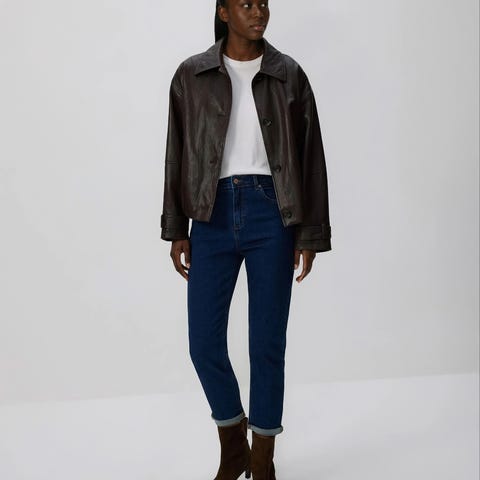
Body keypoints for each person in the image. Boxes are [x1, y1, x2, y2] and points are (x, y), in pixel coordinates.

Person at [160, 1, 332, 478]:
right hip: (209, 213)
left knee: (267, 345)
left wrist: (310, 232)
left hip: (272, 212)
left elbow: (311, 156)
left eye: (264, 2)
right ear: (223, 11)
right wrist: (176, 227)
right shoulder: (191, 75)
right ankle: (233, 441)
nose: (259, 11)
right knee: (203, 343)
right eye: (246, 3)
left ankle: (262, 460)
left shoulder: (288, 74)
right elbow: (176, 153)